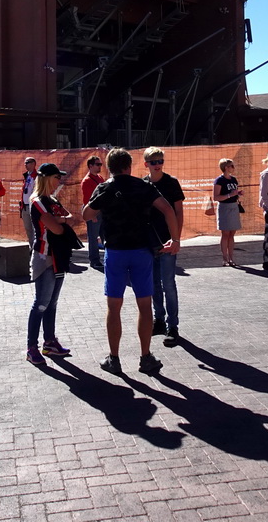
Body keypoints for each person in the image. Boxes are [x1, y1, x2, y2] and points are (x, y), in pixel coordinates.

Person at [83, 148, 180, 376]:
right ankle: (145, 357)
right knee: (144, 306)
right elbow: (168, 209)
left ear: (110, 167)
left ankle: (114, 358)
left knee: (113, 306)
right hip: (141, 251)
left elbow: (87, 214)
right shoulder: (142, 186)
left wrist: (102, 211)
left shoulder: (105, 187)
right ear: (129, 166)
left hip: (115, 252)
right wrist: (174, 239)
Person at [25, 163, 75, 365]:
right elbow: (56, 229)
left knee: (52, 303)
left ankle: (49, 342)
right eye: (56, 177)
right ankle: (31, 347)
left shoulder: (52, 200)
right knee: (41, 303)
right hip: (44, 257)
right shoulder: (37, 201)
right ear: (46, 178)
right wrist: (59, 220)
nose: (59, 181)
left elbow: (69, 217)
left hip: (59, 257)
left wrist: (59, 220)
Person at [143, 147, 185, 346]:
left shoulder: (171, 183)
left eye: (160, 160)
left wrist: (176, 239)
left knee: (168, 284)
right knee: (153, 284)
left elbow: (178, 213)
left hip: (168, 241)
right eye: (153, 162)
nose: (158, 164)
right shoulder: (142, 184)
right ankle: (158, 320)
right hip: (148, 242)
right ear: (146, 164)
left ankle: (172, 325)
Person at [212, 158, 242, 267]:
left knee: (232, 233)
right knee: (225, 233)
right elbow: (216, 197)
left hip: (234, 207)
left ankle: (231, 258)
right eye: (231, 166)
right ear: (226, 167)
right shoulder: (219, 180)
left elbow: (234, 193)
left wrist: (237, 193)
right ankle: (224, 258)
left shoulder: (234, 180)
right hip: (224, 208)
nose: (233, 168)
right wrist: (230, 195)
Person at [80, 155, 106, 271]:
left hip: (102, 212)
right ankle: (94, 260)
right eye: (98, 164)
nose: (100, 166)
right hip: (94, 212)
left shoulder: (100, 178)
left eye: (100, 164)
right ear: (90, 166)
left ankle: (103, 259)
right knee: (93, 237)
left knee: (103, 236)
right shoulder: (87, 181)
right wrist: (93, 215)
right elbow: (87, 200)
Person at [19, 157, 38, 244]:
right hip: (25, 206)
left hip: (33, 205)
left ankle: (36, 247)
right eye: (25, 163)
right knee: (28, 228)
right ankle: (32, 246)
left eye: (28, 162)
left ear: (34, 164)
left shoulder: (37, 176)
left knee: (35, 228)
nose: (25, 164)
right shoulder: (26, 175)